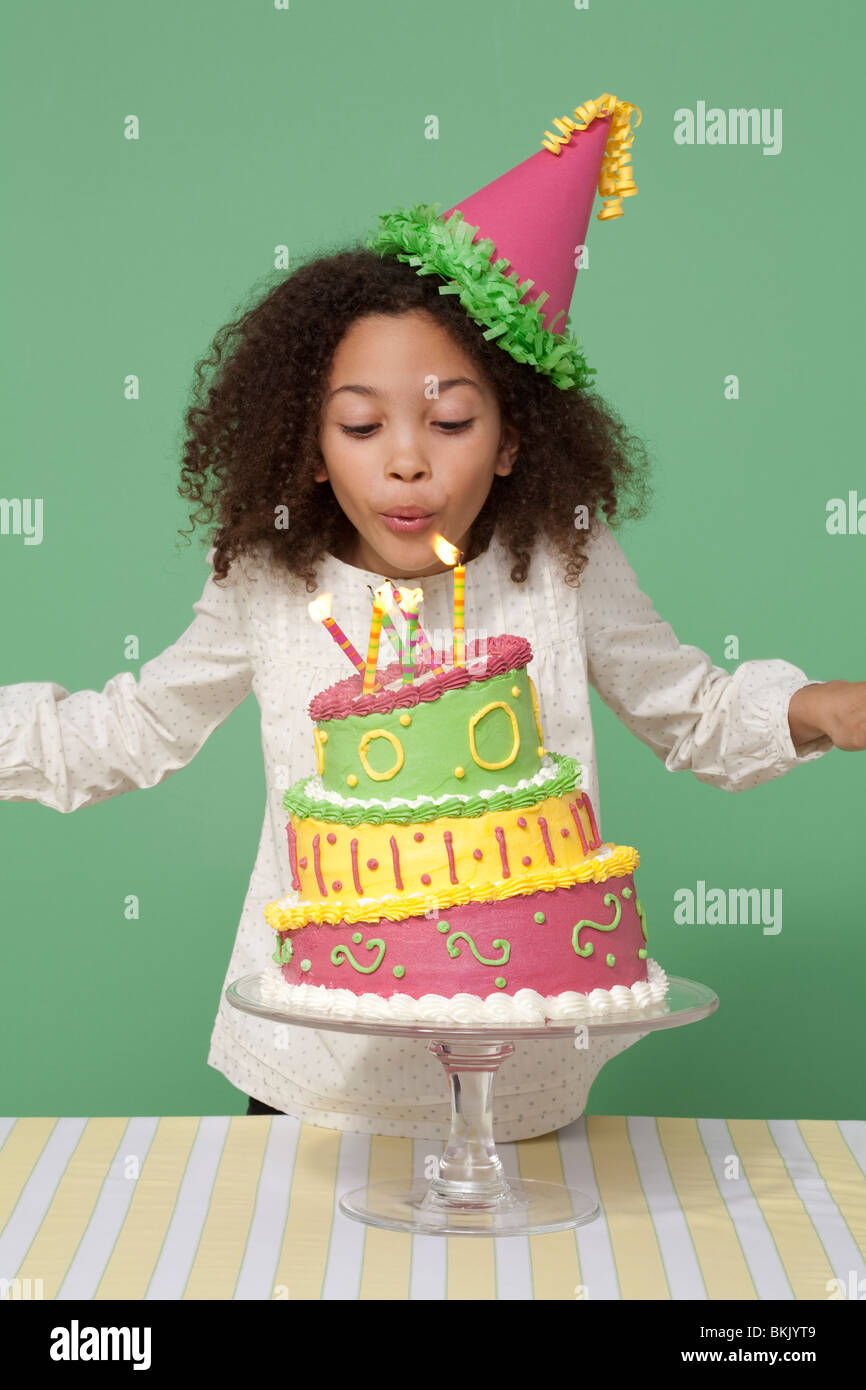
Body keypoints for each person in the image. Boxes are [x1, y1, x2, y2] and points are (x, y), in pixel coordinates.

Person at [3, 96, 864, 1140]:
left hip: (521, 1072)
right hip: (314, 1072)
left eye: (450, 419)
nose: (406, 459)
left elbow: (688, 709)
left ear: (511, 439)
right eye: (362, 425)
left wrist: (822, 708)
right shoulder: (267, 584)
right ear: (311, 446)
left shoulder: (560, 560)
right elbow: (135, 727)